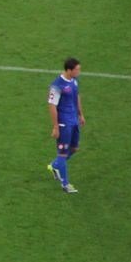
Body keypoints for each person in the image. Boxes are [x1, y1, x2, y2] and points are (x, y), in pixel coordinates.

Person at [47, 57, 84, 194]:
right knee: (62, 153)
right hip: (64, 124)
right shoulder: (57, 86)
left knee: (74, 148)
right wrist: (56, 126)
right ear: (69, 70)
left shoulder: (74, 81)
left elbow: (77, 96)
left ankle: (55, 165)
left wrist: (80, 114)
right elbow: (52, 106)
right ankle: (65, 184)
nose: (79, 72)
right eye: (77, 70)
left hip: (73, 121)